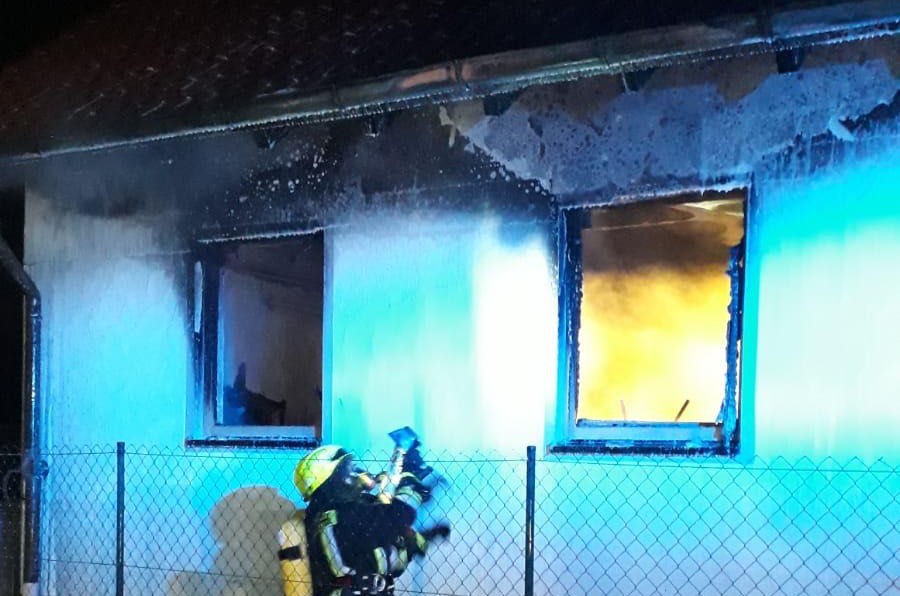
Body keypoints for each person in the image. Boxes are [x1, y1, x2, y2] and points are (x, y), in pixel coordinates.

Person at [286, 444, 448, 596]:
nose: (355, 474)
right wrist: (409, 482)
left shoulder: (336, 518)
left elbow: (383, 559)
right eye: (347, 469)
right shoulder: (341, 517)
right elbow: (400, 514)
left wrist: (418, 539)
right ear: (332, 480)